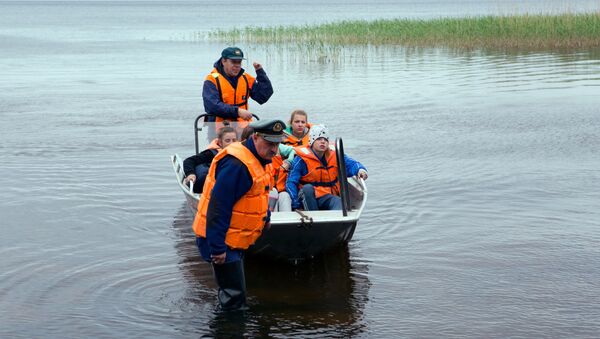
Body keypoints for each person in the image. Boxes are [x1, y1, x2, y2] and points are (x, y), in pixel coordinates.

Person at [191, 119, 287, 311]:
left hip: (235, 236)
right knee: (234, 298)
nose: (274, 149)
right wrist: (217, 248)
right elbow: (219, 207)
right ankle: (229, 329)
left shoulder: (259, 158)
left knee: (235, 292)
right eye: (269, 143)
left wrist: (265, 216)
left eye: (277, 144)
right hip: (221, 239)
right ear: (255, 137)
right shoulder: (237, 165)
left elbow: (257, 193)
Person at [286, 124, 368, 211]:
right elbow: (291, 182)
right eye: (319, 139)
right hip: (307, 197)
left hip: (327, 196)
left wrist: (360, 170)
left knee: (338, 202)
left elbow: (351, 164)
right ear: (312, 141)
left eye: (325, 139)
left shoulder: (335, 156)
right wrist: (296, 205)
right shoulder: (300, 160)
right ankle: (314, 218)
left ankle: (336, 220)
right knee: (307, 189)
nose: (323, 142)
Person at [203, 46, 273, 127]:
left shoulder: (246, 78)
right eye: (233, 62)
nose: (237, 65)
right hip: (219, 130)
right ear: (223, 61)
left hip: (243, 129)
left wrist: (260, 73)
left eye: (239, 62)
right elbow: (212, 106)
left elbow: (263, 97)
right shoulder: (211, 80)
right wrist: (237, 111)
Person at [182, 126, 237, 193]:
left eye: (234, 140)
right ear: (220, 142)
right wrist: (190, 174)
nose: (231, 143)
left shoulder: (241, 154)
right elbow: (189, 161)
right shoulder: (211, 154)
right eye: (227, 141)